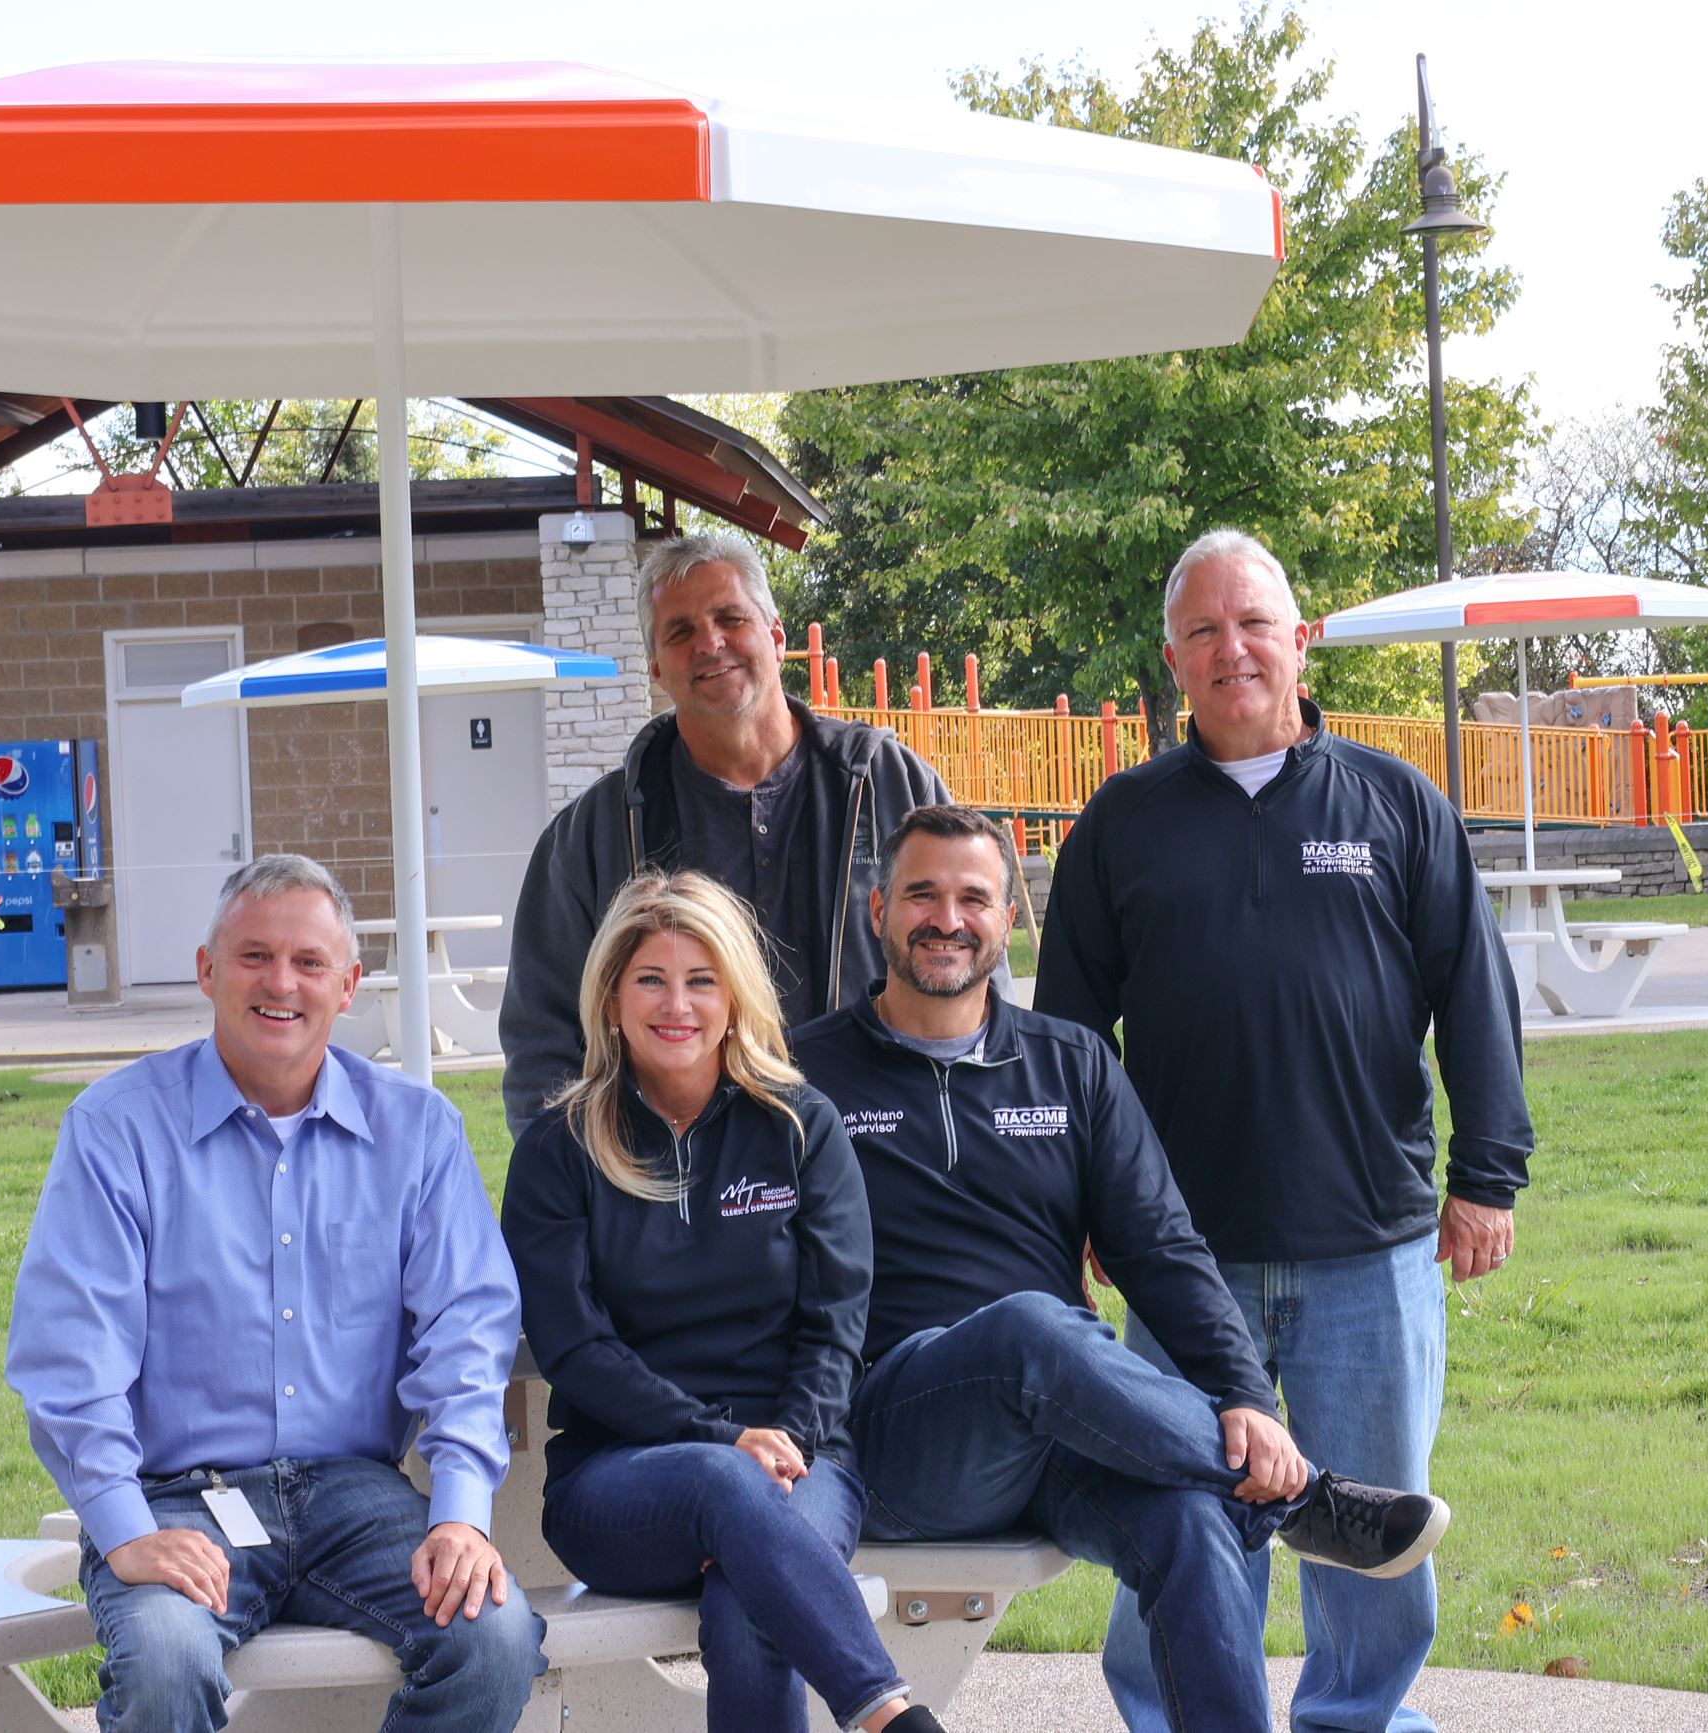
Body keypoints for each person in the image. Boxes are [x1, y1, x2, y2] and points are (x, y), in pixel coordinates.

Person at [793, 804, 1451, 1733]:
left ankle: (1256, 1497)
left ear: (1009, 916)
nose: (948, 918)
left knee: (1191, 1523)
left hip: (1061, 1435)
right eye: (922, 894)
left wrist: (1245, 1399)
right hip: (898, 1437)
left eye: (973, 896)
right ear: (877, 912)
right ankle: (1299, 1498)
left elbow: (1163, 1249)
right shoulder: (804, 1074)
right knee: (1029, 1326)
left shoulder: (1072, 1066)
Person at [1033, 528, 1534, 1733]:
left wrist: (1487, 1176)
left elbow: (1474, 994)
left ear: (1298, 641)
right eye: (1203, 631)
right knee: (1182, 1514)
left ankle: (1357, 1718)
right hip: (1178, 1256)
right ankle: (1174, 1717)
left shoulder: (1394, 803)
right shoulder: (1121, 824)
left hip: (1368, 1240)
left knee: (1370, 1521)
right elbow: (1060, 1045)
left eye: (1253, 623)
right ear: (1172, 661)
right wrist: (1083, 1207)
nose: (1231, 649)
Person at [5, 854, 543, 1733]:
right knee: (164, 1667)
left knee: (495, 1638)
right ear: (207, 969)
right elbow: (70, 1356)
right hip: (177, 1495)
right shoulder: (117, 1130)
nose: (280, 983)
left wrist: (460, 1517)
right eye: (253, 956)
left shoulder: (420, 1132)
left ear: (349, 984)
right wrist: (124, 1526)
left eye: (308, 962)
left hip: (357, 1492)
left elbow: (467, 1332)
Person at [501, 870, 944, 1733]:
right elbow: (575, 1350)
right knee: (718, 1477)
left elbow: (836, 1326)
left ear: (735, 993)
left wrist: (783, 1440)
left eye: (702, 979)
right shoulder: (560, 1149)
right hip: (619, 1481)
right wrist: (722, 1438)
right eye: (652, 980)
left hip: (802, 1458)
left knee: (751, 1605)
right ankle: (889, 1714)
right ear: (613, 995)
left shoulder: (799, 1127)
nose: (678, 1004)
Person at [502, 528, 981, 1135]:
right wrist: (570, 1195)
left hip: (884, 1168)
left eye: (731, 618)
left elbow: (977, 986)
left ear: (777, 636)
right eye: (680, 631)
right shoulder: (596, 835)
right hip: (678, 1188)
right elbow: (542, 1044)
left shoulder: (892, 788)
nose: (710, 643)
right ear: (655, 665)